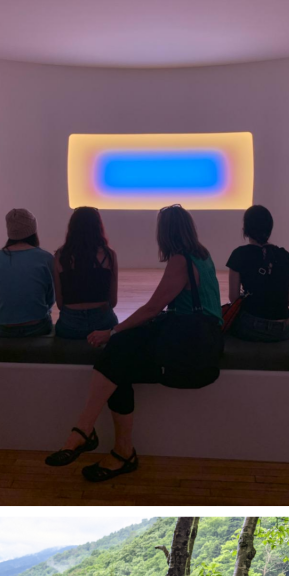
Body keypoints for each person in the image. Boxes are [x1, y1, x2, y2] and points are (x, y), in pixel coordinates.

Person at [45, 205, 223, 482]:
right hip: (200, 339)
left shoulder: (180, 260)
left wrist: (112, 332)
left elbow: (153, 308)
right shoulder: (202, 255)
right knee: (118, 358)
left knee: (116, 358)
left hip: (191, 352)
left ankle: (91, 435)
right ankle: (110, 446)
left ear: (166, 232)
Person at [0, 208, 55, 341]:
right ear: (33, 230)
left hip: (4, 330)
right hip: (38, 327)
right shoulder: (47, 259)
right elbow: (51, 298)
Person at [226, 205, 289, 342]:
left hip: (250, 326)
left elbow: (234, 298)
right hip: (283, 329)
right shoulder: (285, 256)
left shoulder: (238, 254)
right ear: (270, 228)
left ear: (245, 230)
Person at [54, 207, 119, 340]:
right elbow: (113, 301)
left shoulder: (60, 256)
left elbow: (60, 304)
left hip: (69, 324)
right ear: (98, 226)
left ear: (72, 227)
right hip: (103, 323)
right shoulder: (109, 255)